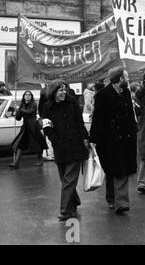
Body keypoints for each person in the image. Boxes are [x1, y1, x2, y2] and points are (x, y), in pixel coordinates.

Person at [90, 66, 137, 215]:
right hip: (108, 139)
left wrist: (133, 130)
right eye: (127, 76)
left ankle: (121, 203)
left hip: (125, 138)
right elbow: (97, 119)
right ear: (120, 78)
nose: (128, 79)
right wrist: (93, 139)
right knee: (111, 170)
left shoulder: (126, 93)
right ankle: (112, 198)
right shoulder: (102, 95)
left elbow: (130, 115)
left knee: (122, 170)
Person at [41, 80, 89, 221]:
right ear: (53, 92)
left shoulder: (72, 102)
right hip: (60, 147)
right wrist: (55, 140)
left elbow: (80, 122)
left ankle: (64, 210)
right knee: (65, 179)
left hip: (75, 145)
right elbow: (46, 127)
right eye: (60, 90)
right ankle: (73, 202)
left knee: (69, 179)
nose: (63, 93)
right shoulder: (47, 107)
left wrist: (85, 138)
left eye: (65, 90)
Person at [10, 91, 48, 169]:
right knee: (20, 144)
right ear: (24, 96)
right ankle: (16, 163)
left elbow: (29, 112)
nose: (27, 96)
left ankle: (40, 160)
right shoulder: (22, 105)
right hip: (25, 127)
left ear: (31, 96)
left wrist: (20, 109)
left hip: (33, 126)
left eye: (29, 95)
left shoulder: (33, 104)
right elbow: (19, 118)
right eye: (26, 95)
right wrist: (16, 112)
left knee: (37, 144)